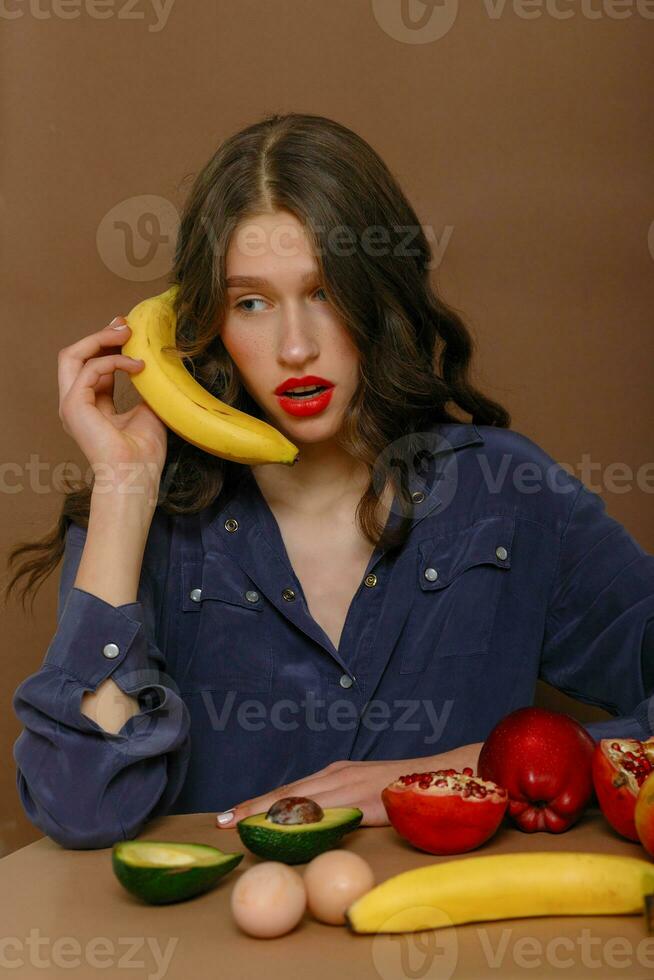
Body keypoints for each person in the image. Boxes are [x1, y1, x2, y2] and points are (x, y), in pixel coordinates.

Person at [6, 113, 654, 851]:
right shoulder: (150, 517)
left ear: (378, 294)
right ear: (206, 322)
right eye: (251, 302)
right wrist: (123, 492)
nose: (294, 347)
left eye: (323, 291)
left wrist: (477, 767)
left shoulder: (507, 491)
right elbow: (82, 809)